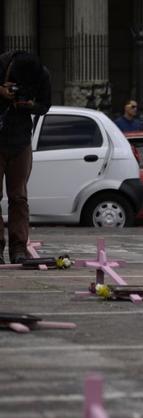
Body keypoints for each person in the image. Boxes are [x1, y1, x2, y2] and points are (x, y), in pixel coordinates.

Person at [0, 50, 51, 264]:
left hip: (21, 140)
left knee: (19, 197)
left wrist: (31, 106)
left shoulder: (41, 74)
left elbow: (45, 105)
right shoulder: (1, 66)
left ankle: (18, 249)